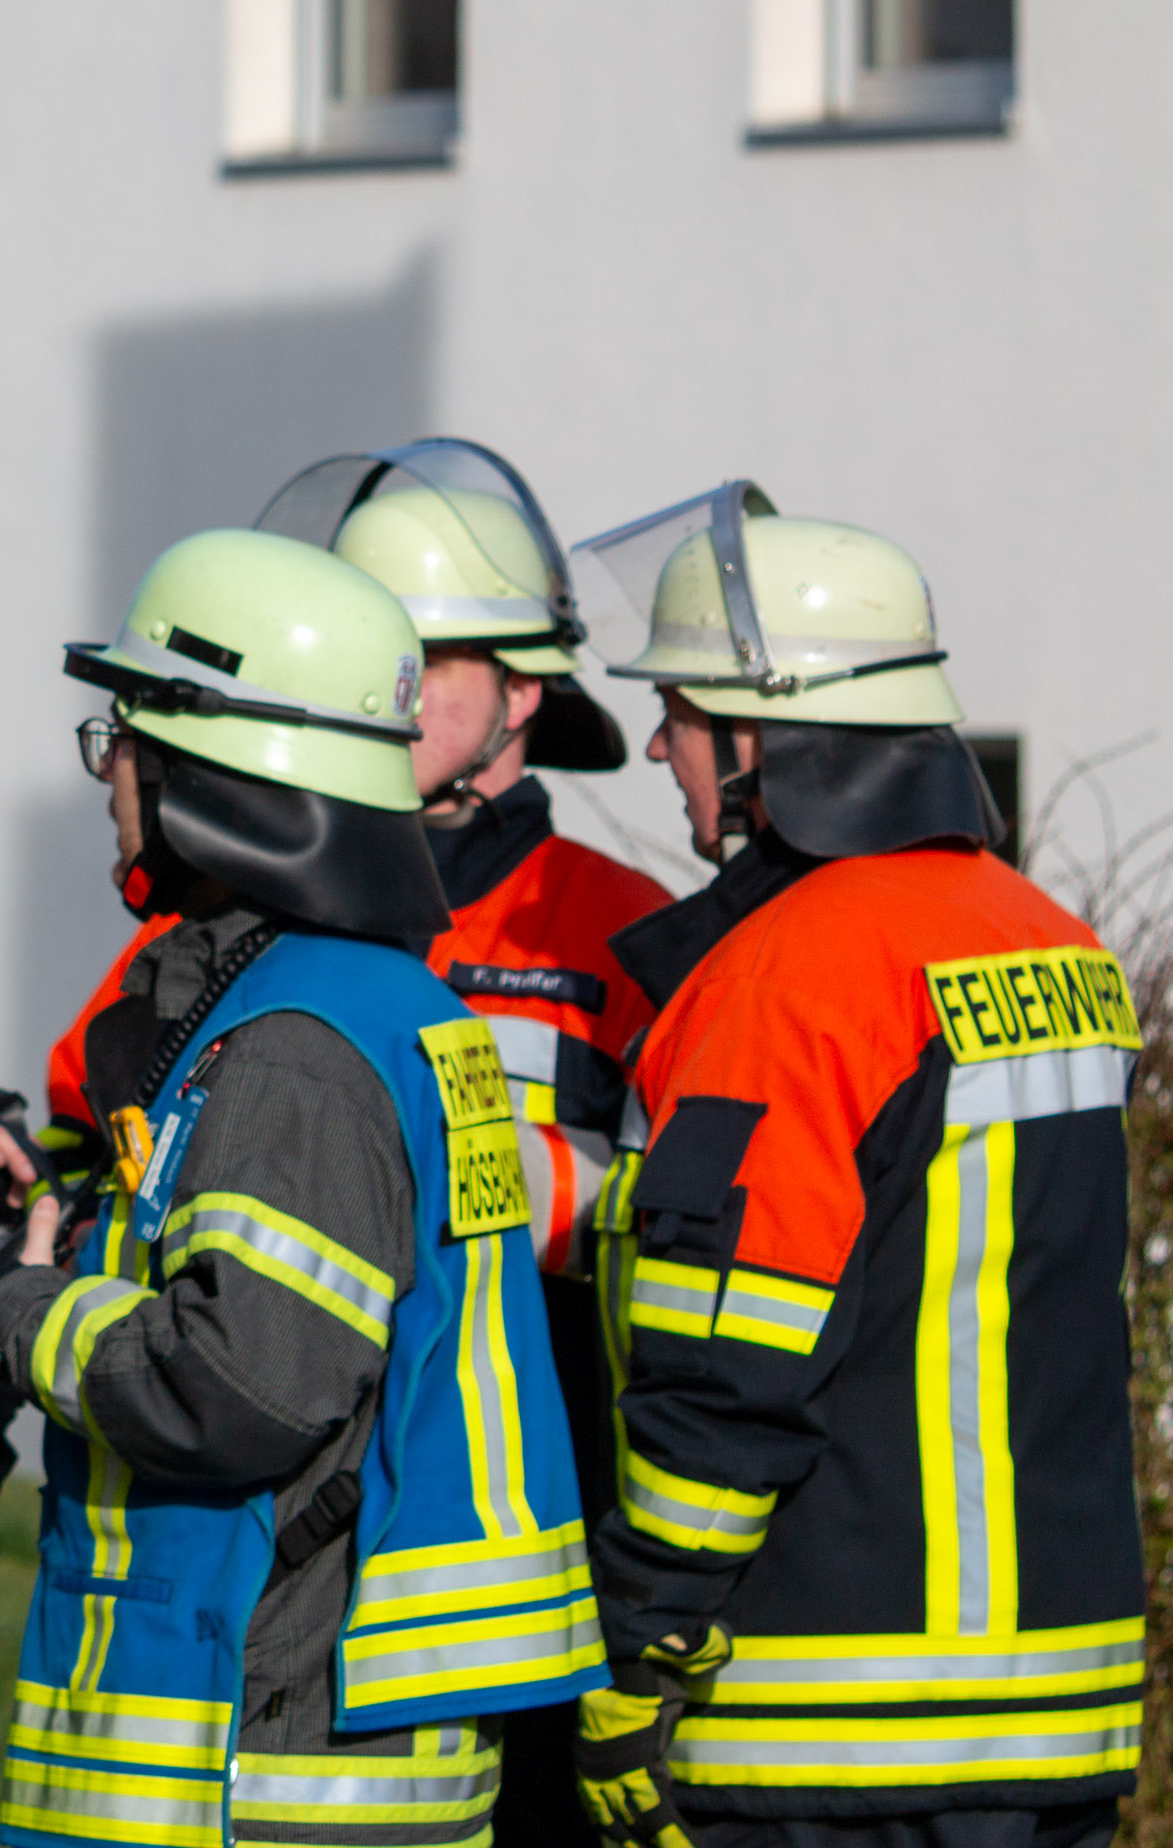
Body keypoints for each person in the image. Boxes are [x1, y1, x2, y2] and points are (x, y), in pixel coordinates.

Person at [0, 527, 603, 1848]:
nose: (106, 780)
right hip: (314, 1730)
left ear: (219, 763)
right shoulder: (363, 1007)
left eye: (123, 738)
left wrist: (22, 1309)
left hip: (265, 1756)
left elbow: (244, 1388)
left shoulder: (298, 1046)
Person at [564, 487, 1143, 1848]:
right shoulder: (1052, 944)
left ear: (770, 737)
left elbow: (728, 1366)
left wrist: (639, 1648)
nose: (660, 746)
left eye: (689, 717)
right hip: (1058, 1716)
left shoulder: (784, 976)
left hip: (830, 1730)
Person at [270, 439, 677, 1843]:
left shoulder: (618, 926)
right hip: (308, 1491)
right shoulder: (268, 918)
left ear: (521, 694)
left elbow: (692, 1210)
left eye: (422, 658)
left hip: (549, 1488)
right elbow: (98, 1103)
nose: (383, 690)